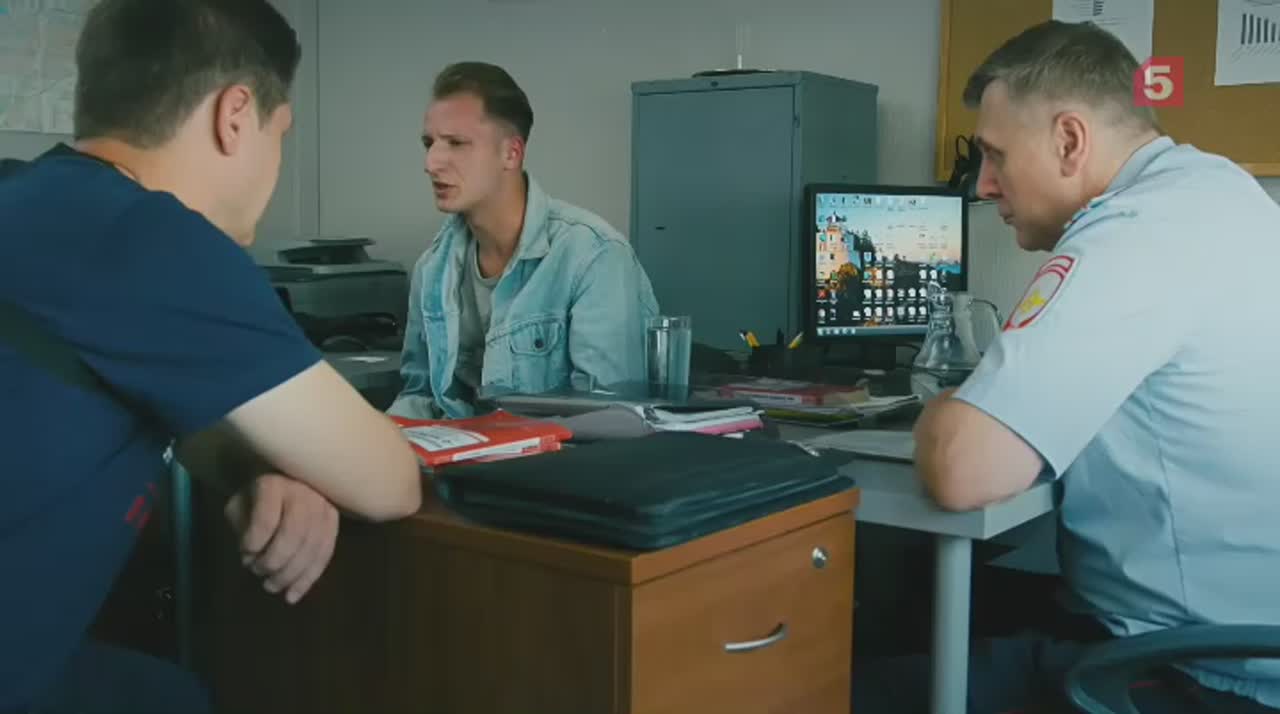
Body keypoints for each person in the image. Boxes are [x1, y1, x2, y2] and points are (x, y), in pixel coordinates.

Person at [0, 1, 423, 712]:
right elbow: (389, 481)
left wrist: (252, 469)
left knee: (165, 695)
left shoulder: (25, 196)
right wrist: (296, 465)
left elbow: (132, 395)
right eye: (280, 134)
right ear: (236, 115)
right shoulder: (150, 239)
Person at [855, 20, 1280, 714]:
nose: (984, 185)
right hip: (1241, 636)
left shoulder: (1135, 232)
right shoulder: (1222, 193)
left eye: (995, 155)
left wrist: (945, 408)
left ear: (1070, 140)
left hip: (1192, 671)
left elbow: (965, 469)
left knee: (836, 684)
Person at [389, 62, 658, 420]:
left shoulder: (593, 256)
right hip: (461, 450)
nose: (431, 163)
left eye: (456, 143)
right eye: (429, 143)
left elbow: (607, 419)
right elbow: (420, 395)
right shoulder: (432, 268)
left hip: (553, 455)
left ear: (511, 153)